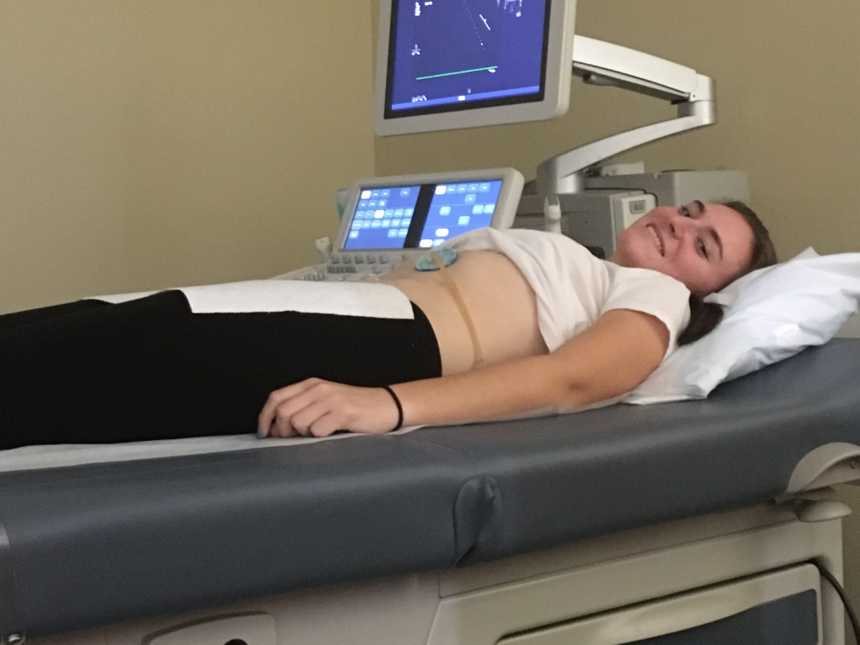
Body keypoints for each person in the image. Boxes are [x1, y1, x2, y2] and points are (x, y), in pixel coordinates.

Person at [0, 200, 775, 449]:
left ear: (712, 293)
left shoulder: (656, 299)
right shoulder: (593, 264)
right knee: (93, 331)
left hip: (387, 339)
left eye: (706, 246)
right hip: (350, 317)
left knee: (94, 349)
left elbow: (576, 377)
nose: (681, 224)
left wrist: (389, 404)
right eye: (692, 212)